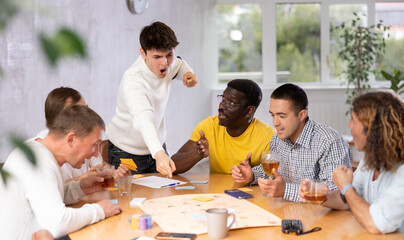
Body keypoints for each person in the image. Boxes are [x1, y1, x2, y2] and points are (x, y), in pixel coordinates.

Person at [0, 105, 122, 239]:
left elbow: (45, 200)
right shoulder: (38, 162)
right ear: (71, 139)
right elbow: (57, 223)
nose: (96, 153)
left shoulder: (36, 149)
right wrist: (99, 210)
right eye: (94, 145)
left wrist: (80, 187)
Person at [299, 91, 404, 234]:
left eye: (353, 120)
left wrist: (346, 187)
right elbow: (349, 201)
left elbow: (376, 224)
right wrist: (318, 195)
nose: (349, 125)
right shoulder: (371, 159)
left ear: (373, 130)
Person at [106, 21, 197, 177]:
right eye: (157, 57)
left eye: (169, 54)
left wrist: (188, 74)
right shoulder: (133, 81)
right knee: (131, 198)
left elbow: (179, 65)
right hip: (126, 151)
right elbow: (144, 118)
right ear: (143, 53)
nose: (165, 62)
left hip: (156, 148)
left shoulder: (170, 63)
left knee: (164, 194)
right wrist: (159, 154)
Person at [231, 83, 351, 202]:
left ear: (301, 115)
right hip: (285, 210)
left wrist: (285, 190)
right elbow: (272, 172)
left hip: (322, 217)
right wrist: (251, 175)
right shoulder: (278, 138)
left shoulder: (329, 141)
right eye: (273, 115)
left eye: (281, 116)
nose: (275, 122)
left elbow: (338, 192)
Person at [172, 79, 275, 174]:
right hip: (217, 192)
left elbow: (274, 175)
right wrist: (198, 153)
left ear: (249, 111)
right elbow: (173, 165)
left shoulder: (268, 136)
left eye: (232, 103)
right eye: (223, 99)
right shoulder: (209, 126)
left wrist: (251, 174)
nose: (221, 106)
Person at [36, 87, 129, 183]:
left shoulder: (86, 139)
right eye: (80, 111)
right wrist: (83, 180)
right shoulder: (41, 152)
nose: (88, 115)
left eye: (86, 109)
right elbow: (51, 186)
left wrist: (115, 173)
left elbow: (101, 167)